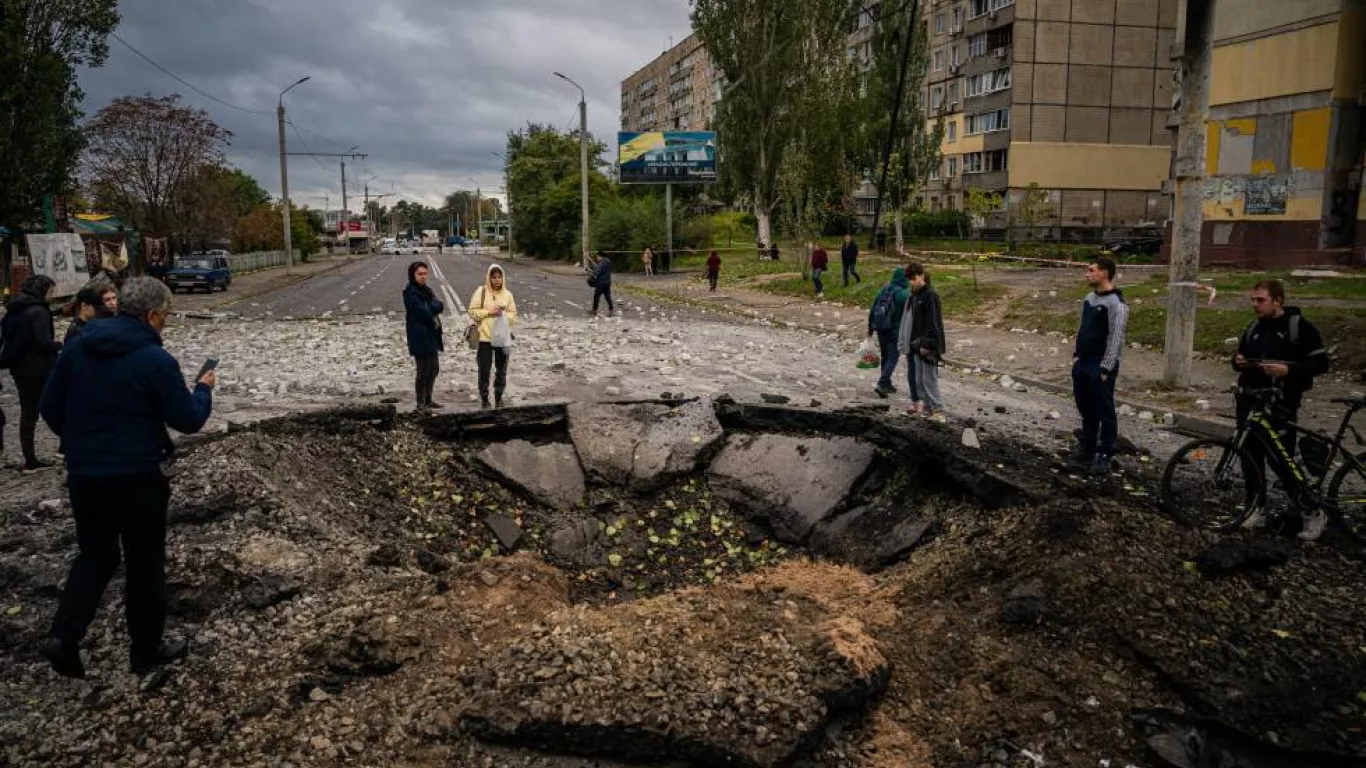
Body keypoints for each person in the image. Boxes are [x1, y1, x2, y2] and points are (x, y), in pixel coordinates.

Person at [37, 277, 216, 678]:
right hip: (137, 475)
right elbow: (187, 419)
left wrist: (81, 441)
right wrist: (204, 390)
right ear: (153, 316)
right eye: (166, 316)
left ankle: (63, 636)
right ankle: (146, 650)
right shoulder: (155, 361)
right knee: (144, 562)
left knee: (95, 555)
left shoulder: (78, 346)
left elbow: (50, 406)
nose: (166, 323)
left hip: (84, 473)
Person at [1231, 279, 1331, 539]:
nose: (1255, 305)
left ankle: (1311, 511)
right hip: (1250, 402)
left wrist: (1289, 370)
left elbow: (1321, 363)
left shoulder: (1299, 328)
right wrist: (1238, 361)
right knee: (1249, 457)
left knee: (1281, 460)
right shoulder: (1253, 327)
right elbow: (1240, 356)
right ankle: (1256, 507)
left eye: (1260, 300)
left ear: (1278, 300)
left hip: (1281, 404)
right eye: (1253, 300)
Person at [1067, 256, 1128, 476]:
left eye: (1091, 270)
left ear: (1104, 273)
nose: (1087, 274)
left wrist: (1106, 367)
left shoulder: (1117, 305)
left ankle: (1106, 452)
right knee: (1086, 408)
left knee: (1104, 409)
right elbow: (1082, 328)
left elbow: (1116, 338)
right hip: (1083, 362)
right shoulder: (1089, 298)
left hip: (1100, 365)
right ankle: (1087, 449)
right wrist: (1076, 355)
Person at [0, 275, 62, 472]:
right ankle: (67, 449)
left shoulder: (16, 308)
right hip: (39, 368)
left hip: (20, 368)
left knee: (28, 414)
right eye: (50, 292)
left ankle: (30, 459)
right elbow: (42, 342)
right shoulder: (38, 311)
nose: (51, 296)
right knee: (57, 408)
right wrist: (58, 344)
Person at [898, 263, 946, 418]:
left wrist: (927, 343)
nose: (911, 282)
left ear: (921, 275)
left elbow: (933, 323)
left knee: (929, 379)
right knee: (918, 380)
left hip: (928, 345)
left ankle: (938, 410)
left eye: (913, 279)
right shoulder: (914, 295)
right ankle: (927, 409)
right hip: (916, 345)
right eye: (909, 280)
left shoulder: (930, 295)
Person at [468, 264, 518, 409]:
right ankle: (484, 399)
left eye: (499, 277)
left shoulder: (508, 295)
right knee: (484, 370)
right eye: (494, 277)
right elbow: (472, 311)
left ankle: (499, 397)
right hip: (485, 338)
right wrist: (489, 313)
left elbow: (514, 316)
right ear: (489, 277)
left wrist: (503, 315)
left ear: (503, 278)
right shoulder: (481, 291)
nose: (497, 280)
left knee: (501, 370)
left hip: (502, 339)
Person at [403, 261, 445, 411]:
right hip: (419, 336)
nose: (423, 277)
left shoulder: (427, 290)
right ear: (413, 275)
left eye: (425, 273)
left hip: (431, 335)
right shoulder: (410, 292)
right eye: (419, 274)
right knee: (423, 370)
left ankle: (428, 399)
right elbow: (422, 312)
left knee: (434, 368)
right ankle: (420, 402)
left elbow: (440, 305)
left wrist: (432, 307)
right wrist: (432, 307)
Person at [869, 267, 911, 398]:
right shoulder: (904, 295)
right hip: (895, 331)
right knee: (893, 358)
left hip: (881, 329)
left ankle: (887, 383)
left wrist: (870, 329)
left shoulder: (884, 290)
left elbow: (873, 309)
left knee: (885, 357)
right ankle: (882, 383)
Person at [590, 253, 614, 318]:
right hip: (608, 281)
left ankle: (594, 310)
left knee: (596, 296)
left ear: (599, 256)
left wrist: (592, 272)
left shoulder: (601, 262)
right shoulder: (608, 261)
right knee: (608, 296)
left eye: (597, 257)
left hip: (600, 282)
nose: (597, 258)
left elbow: (597, 271)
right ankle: (611, 310)